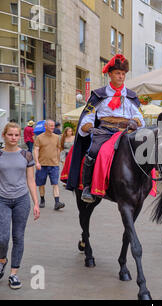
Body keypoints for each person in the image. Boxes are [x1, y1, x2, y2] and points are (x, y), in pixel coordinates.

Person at [68, 54, 145, 203]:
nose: (121, 76)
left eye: (123, 74)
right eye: (118, 73)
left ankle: (142, 183)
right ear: (110, 74)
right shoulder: (99, 94)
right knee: (94, 151)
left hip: (126, 132)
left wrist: (134, 122)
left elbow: (140, 118)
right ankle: (88, 187)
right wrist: (89, 127)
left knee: (143, 152)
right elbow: (88, 116)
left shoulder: (131, 96)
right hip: (104, 132)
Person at [0, 122, 40, 289]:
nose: (14, 138)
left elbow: (31, 180)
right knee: (2, 237)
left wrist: (36, 202)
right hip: (2, 199)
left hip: (21, 200)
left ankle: (13, 274)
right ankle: (2, 260)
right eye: (10, 135)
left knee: (18, 237)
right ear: (4, 135)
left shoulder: (26, 155)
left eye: (16, 135)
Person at [34, 119, 65, 211]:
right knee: (41, 184)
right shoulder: (39, 137)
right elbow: (36, 150)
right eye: (51, 126)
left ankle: (57, 202)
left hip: (54, 164)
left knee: (55, 183)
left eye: (53, 126)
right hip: (42, 165)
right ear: (45, 126)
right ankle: (42, 199)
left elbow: (59, 149)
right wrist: (37, 162)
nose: (53, 127)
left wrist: (58, 159)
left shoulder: (57, 137)